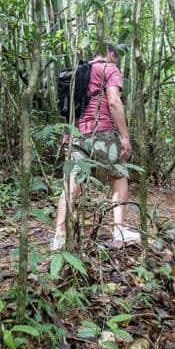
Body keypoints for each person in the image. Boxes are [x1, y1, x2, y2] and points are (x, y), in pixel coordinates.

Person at [51, 42, 140, 251]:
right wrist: (125, 136)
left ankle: (59, 235)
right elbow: (114, 102)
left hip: (73, 132)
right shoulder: (109, 68)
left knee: (72, 181)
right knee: (119, 174)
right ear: (110, 55)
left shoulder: (78, 71)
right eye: (115, 58)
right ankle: (119, 230)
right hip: (101, 130)